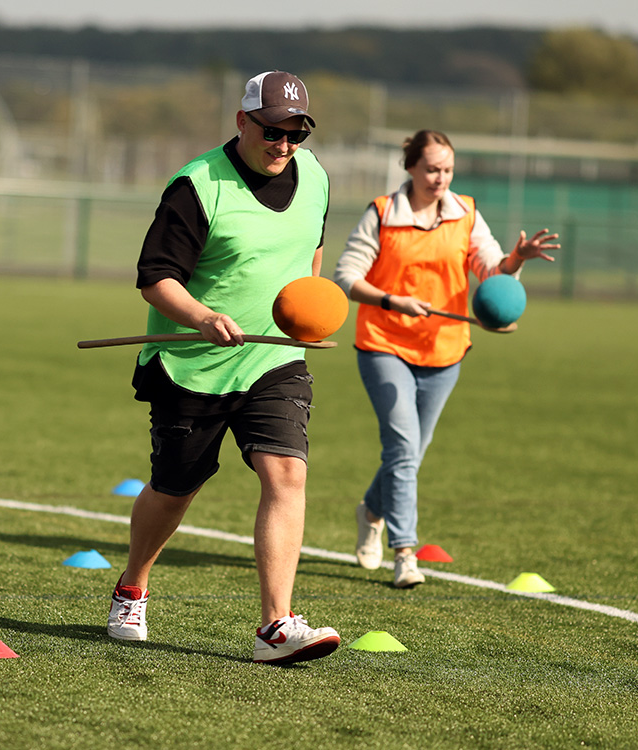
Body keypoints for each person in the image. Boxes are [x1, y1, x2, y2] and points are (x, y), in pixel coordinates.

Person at [107, 71, 340, 665]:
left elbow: (311, 247)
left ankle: (275, 626)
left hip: (273, 359)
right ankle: (133, 584)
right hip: (193, 365)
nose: (283, 146)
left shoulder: (314, 177)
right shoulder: (197, 185)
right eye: (271, 131)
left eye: (295, 135)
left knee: (287, 472)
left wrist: (309, 309)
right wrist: (201, 316)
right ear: (242, 122)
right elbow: (155, 279)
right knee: (174, 489)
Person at [333, 129, 559, 588]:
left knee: (412, 451)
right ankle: (405, 553)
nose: (441, 178)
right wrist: (393, 301)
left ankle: (372, 509)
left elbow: (492, 272)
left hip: (445, 348)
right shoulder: (381, 213)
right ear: (411, 168)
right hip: (384, 343)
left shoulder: (466, 213)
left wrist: (519, 257)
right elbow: (346, 277)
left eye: (448, 170)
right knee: (401, 448)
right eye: (432, 169)